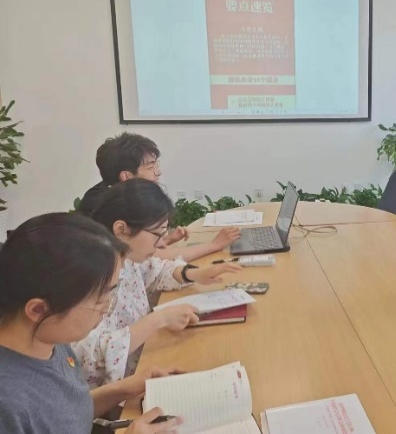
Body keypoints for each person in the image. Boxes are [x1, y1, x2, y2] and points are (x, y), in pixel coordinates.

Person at [0, 212, 181, 433]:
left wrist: (124, 389)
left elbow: (66, 418)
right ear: (39, 310)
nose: (107, 309)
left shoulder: (49, 340)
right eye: (100, 300)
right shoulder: (8, 403)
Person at [74, 178, 243, 387]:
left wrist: (193, 274)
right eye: (158, 234)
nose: (163, 243)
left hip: (144, 360)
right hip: (119, 389)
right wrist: (158, 320)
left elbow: (156, 269)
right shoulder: (89, 279)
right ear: (121, 229)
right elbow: (89, 357)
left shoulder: (127, 258)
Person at [77, 132, 241, 262]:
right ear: (126, 176)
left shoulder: (116, 192)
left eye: (156, 164)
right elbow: (153, 260)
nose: (158, 172)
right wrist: (214, 245)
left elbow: (136, 250)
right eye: (150, 167)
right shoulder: (111, 205)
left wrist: (166, 240)